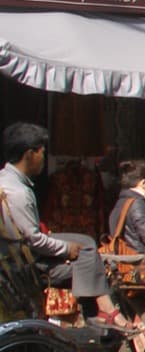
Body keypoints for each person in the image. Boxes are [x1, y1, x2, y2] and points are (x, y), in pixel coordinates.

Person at [0, 122, 126, 329]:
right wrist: (66, 249)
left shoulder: (6, 181)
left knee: (85, 243)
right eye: (41, 152)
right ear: (30, 154)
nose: (43, 158)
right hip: (25, 263)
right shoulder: (18, 193)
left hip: (18, 255)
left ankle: (98, 310)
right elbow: (33, 239)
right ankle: (103, 309)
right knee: (86, 251)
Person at [106, 159, 145, 257]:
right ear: (143, 184)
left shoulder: (120, 202)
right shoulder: (137, 203)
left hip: (123, 262)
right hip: (135, 265)